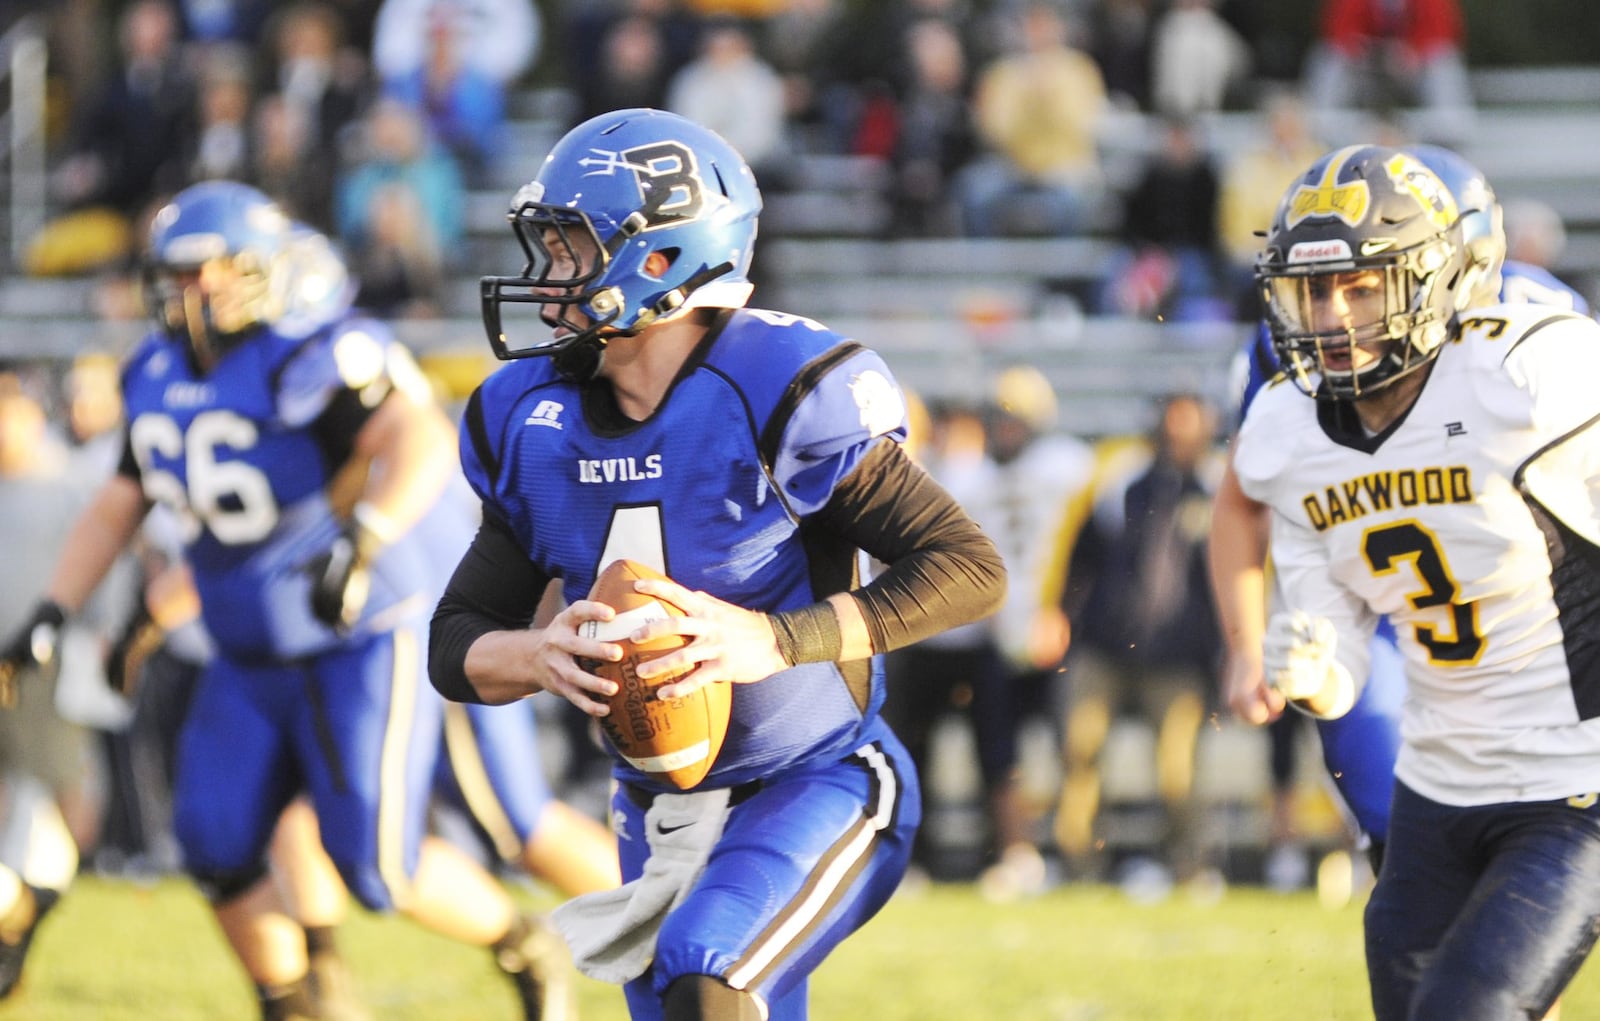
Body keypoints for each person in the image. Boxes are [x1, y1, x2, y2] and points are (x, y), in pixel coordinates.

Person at [429, 107, 1006, 1020]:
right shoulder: (526, 416)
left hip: (822, 775)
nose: (548, 279)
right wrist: (539, 655)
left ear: (658, 260)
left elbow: (968, 566)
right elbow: (452, 641)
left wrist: (776, 639)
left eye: (571, 248)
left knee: (713, 968)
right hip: (655, 805)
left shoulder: (775, 383)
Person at [0, 181, 570, 1021]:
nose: (184, 292)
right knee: (215, 844)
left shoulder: (314, 352)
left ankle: (522, 942)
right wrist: (51, 610)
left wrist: (369, 534)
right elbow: (123, 497)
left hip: (354, 638)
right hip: (245, 648)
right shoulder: (154, 370)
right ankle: (294, 1000)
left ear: (259, 271)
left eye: (205, 272)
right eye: (173, 274)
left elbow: (415, 434)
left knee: (378, 866)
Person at [1234, 142, 1600, 1019]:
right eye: (1313, 289)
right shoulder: (1289, 428)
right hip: (1436, 786)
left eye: (1361, 285)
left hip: (1577, 779)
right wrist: (1317, 672)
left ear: (1444, 278)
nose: (1332, 314)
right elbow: (1340, 636)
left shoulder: (1529, 375)